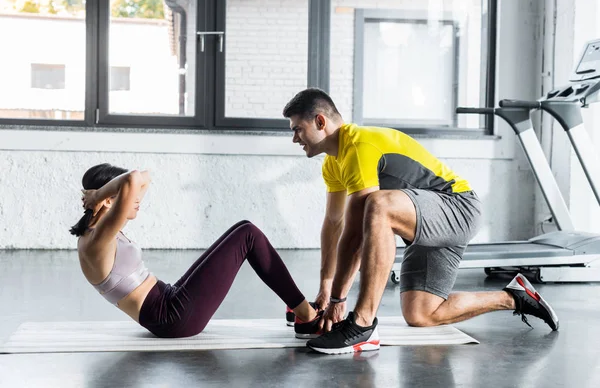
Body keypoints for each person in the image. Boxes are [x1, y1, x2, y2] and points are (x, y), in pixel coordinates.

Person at [282, 88, 559, 355]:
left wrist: (338, 301)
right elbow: (333, 225)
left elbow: (354, 235)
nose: (294, 138)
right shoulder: (333, 163)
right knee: (421, 314)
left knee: (377, 204)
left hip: (458, 207)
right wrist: (325, 289)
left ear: (320, 122)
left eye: (297, 129)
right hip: (423, 221)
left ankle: (363, 325)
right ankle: (514, 296)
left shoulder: (357, 145)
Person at [71, 163, 323, 339]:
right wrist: (101, 193)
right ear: (106, 202)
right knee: (249, 235)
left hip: (169, 300)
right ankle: (306, 316)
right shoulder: (99, 238)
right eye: (126, 196)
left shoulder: (97, 230)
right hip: (171, 318)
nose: (137, 199)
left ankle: (296, 307)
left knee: (243, 228)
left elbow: (142, 178)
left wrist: (102, 195)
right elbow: (133, 179)